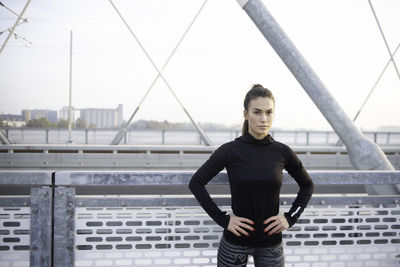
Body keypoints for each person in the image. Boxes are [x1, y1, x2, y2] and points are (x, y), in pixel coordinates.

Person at [188, 84, 314, 266]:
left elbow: (308, 185)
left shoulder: (283, 152)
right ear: (246, 114)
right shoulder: (230, 151)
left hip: (271, 245)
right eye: (257, 112)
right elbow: (196, 183)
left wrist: (290, 217)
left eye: (269, 112)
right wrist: (223, 219)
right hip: (234, 244)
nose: (264, 119)